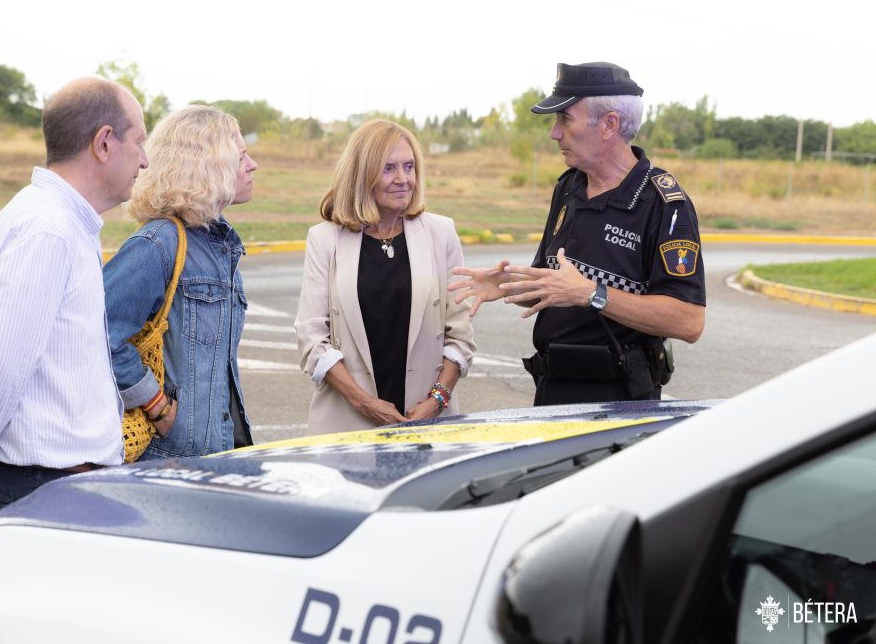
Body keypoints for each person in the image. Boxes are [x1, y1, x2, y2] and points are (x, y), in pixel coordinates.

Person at [0, 77, 148, 541]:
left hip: (43, 483)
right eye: (139, 140)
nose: (145, 158)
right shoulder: (49, 229)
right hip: (39, 488)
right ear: (103, 142)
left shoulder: (58, 222)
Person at [449, 62, 706, 405]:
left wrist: (592, 294)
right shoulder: (569, 186)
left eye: (565, 119)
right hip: (552, 388)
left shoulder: (664, 204)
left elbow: (689, 320)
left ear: (609, 125)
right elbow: (556, 284)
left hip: (621, 401)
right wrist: (508, 283)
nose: (555, 133)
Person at [295, 119, 475, 434]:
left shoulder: (441, 233)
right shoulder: (324, 239)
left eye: (409, 166)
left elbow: (459, 335)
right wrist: (364, 403)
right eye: (388, 168)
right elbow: (312, 340)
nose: (403, 179)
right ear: (361, 175)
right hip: (346, 425)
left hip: (428, 423)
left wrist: (437, 400)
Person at [103, 105, 255, 458]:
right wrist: (157, 407)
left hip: (216, 448)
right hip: (169, 458)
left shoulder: (221, 245)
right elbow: (100, 334)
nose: (252, 166)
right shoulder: (158, 243)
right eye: (241, 157)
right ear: (207, 165)